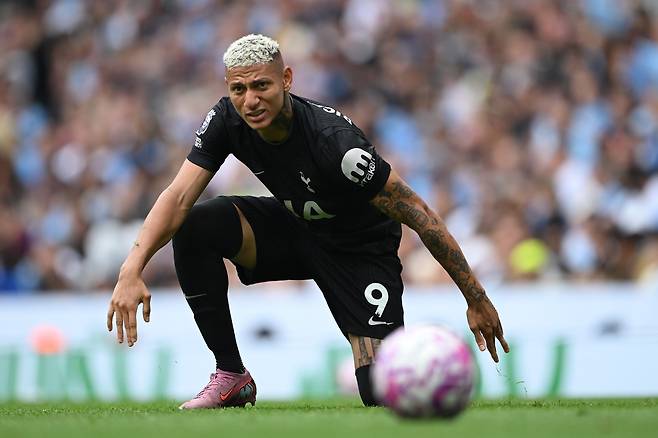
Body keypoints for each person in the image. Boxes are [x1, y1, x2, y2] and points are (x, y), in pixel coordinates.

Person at [106, 34, 509, 409]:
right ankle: (230, 374)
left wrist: (476, 298)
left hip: (359, 250)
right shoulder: (226, 119)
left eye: (261, 86)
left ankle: (424, 357)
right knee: (195, 225)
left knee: (379, 390)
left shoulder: (336, 146)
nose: (250, 101)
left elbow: (422, 217)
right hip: (293, 229)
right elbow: (177, 197)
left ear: (286, 79)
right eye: (238, 89)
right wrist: (131, 269)